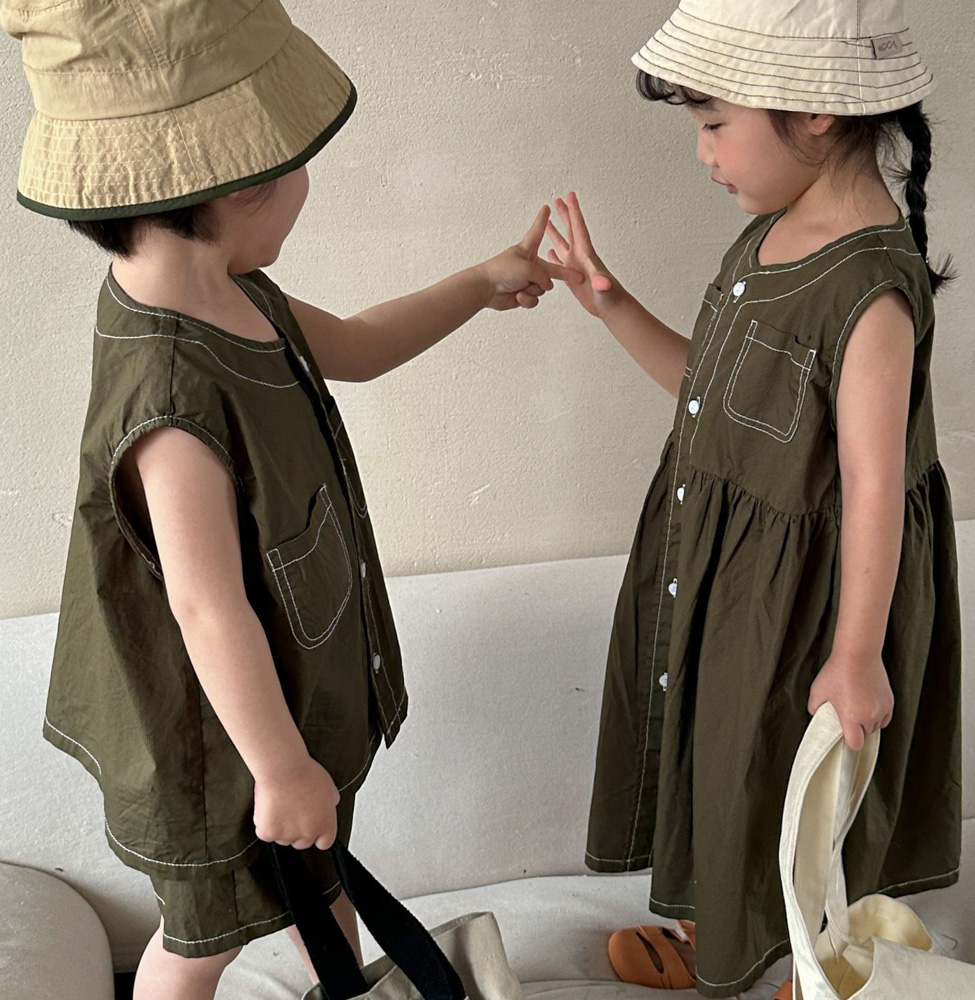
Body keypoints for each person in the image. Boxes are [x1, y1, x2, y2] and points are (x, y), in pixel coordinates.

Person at [1, 2, 581, 998]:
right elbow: (204, 606)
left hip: (286, 703)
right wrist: (278, 770)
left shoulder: (227, 286)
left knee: (320, 880)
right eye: (297, 160)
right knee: (202, 941)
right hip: (213, 743)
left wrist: (484, 281)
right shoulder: (170, 397)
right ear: (239, 180)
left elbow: (354, 344)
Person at [545, 1, 960, 996]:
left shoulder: (868, 287)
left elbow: (872, 483)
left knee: (797, 772)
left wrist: (855, 652)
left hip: (812, 599)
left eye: (714, 123)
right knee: (724, 758)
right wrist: (608, 302)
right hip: (731, 583)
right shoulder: (772, 237)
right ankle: (721, 935)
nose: (703, 153)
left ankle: (821, 962)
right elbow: (717, 398)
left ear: (814, 111)